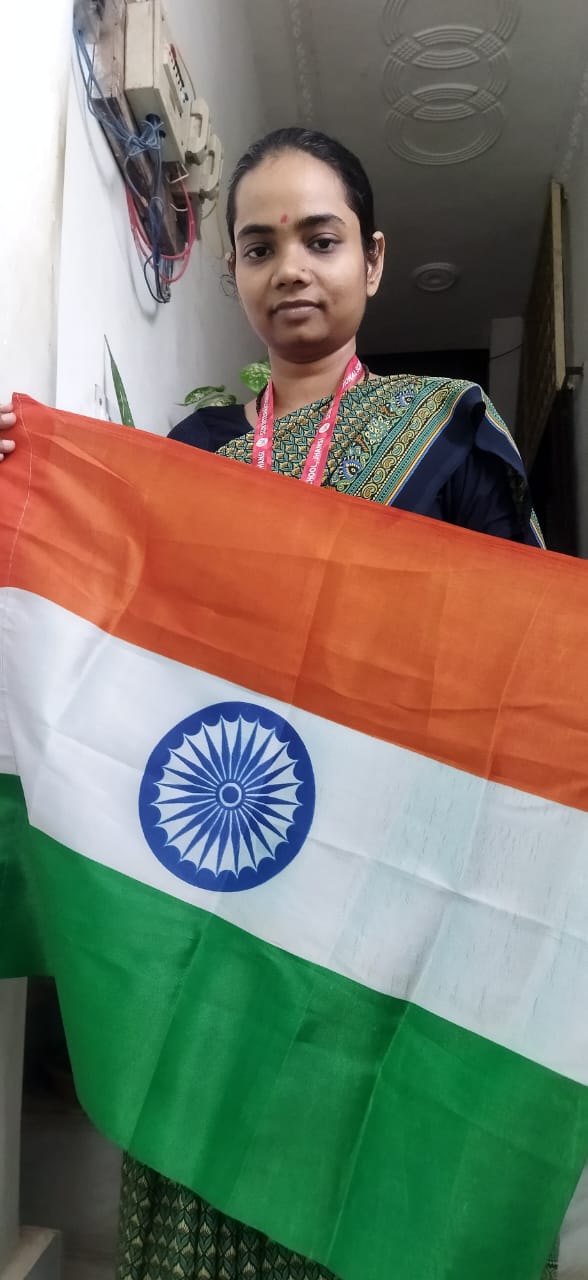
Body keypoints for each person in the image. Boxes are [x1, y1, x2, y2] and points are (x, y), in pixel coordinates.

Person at [0, 127, 555, 1280]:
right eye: (260, 246)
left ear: (374, 259)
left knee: (347, 1155)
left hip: (380, 889)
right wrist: (27, 484)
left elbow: (519, 668)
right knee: (199, 1123)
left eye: (321, 238)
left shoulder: (449, 435)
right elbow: (116, 650)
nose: (290, 267)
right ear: (234, 271)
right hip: (215, 869)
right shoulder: (192, 455)